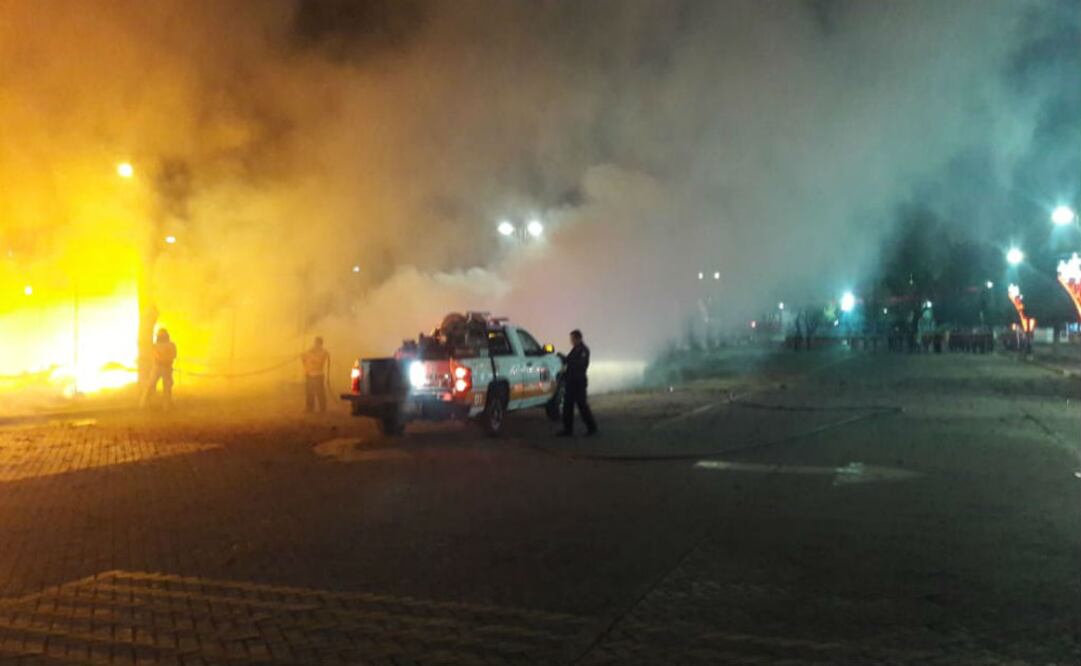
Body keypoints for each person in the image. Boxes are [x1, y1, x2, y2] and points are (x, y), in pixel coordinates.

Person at [558, 329, 597, 437]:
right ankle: (567, 430)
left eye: (573, 339)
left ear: (578, 338)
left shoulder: (584, 350)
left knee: (582, 406)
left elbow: (580, 365)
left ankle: (592, 427)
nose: (571, 341)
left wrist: (567, 360)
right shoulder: (575, 349)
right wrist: (562, 358)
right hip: (571, 382)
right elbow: (569, 361)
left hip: (579, 382)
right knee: (567, 406)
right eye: (571, 339)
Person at [142, 328, 177, 410]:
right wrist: (164, 359)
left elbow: (174, 355)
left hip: (166, 368)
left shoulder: (171, 345)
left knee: (167, 387)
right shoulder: (156, 346)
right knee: (151, 385)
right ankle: (145, 403)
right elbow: (155, 356)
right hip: (158, 367)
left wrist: (166, 360)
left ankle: (166, 406)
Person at [301, 336, 331, 412]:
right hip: (309, 374)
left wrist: (310, 354)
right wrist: (304, 357)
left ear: (321, 344)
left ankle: (322, 408)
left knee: (320, 392)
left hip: (318, 375)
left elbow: (318, 361)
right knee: (309, 392)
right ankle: (309, 408)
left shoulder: (323, 352)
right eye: (315, 343)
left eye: (318, 343)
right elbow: (304, 360)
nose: (316, 345)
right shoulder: (310, 351)